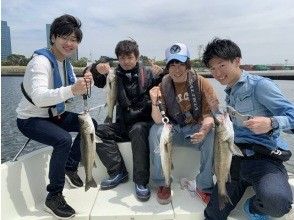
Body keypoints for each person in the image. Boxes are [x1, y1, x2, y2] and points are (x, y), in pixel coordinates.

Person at [202, 38, 294, 220]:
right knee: (212, 215)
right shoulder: (230, 91)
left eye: (221, 65)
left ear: (237, 61)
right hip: (234, 160)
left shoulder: (260, 86)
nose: (217, 73)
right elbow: (230, 127)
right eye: (212, 69)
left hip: (264, 160)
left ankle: (252, 206)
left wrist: (272, 123)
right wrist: (215, 112)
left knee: (278, 204)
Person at [16, 14, 96, 219]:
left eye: (74, 39)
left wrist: (86, 82)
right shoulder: (40, 62)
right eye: (65, 38)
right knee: (62, 140)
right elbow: (40, 97)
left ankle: (70, 167)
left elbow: (73, 87)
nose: (70, 43)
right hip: (30, 119)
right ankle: (53, 196)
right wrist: (72, 89)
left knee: (90, 124)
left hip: (54, 115)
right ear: (53, 38)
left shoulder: (65, 63)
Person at [87, 39, 164, 201]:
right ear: (118, 59)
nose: (126, 62)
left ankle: (141, 182)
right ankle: (118, 171)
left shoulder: (149, 73)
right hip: (122, 124)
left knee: (137, 130)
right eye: (122, 58)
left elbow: (166, 85)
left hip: (143, 124)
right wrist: (95, 68)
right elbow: (93, 77)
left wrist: (161, 74)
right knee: (96, 131)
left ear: (137, 57)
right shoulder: (113, 74)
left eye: (129, 57)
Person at [148, 42, 219, 205]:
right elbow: (159, 120)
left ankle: (204, 186)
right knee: (154, 131)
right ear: (167, 67)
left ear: (188, 64)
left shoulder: (202, 83)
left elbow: (210, 115)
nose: (177, 69)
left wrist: (204, 129)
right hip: (173, 130)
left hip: (195, 130)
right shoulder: (163, 85)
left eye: (180, 64)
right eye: (172, 65)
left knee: (212, 133)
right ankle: (163, 182)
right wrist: (154, 102)